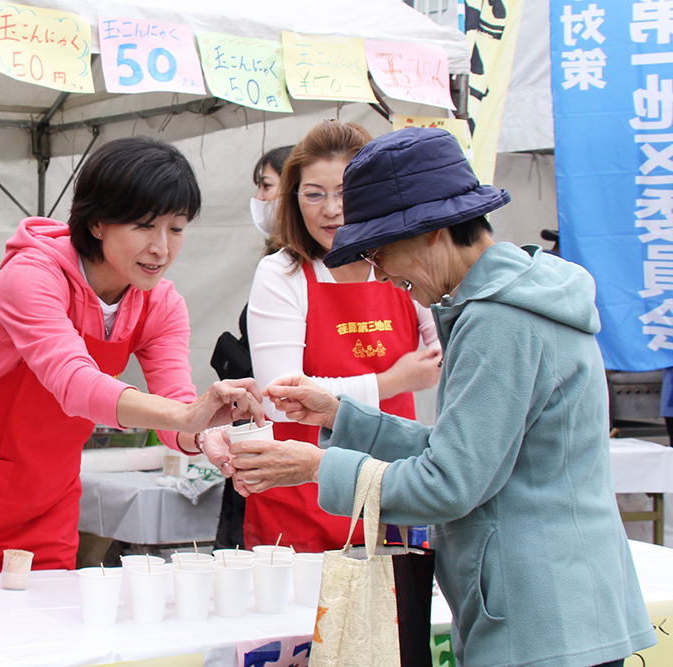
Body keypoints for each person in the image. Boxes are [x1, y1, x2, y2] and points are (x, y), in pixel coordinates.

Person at [231, 127, 655, 667]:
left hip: (538, 620)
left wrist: (319, 466)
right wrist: (342, 414)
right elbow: (465, 449)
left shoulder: (497, 320)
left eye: (381, 249)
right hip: (565, 606)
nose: (380, 270)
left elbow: (449, 481)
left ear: (431, 232)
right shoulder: (524, 297)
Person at [0, 135, 264, 577]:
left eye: (176, 228)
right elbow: (75, 382)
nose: (161, 247)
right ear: (97, 222)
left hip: (51, 497)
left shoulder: (162, 304)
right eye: (143, 226)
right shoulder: (32, 275)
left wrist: (203, 434)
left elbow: (177, 398)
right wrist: (186, 416)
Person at [244, 121, 441, 551]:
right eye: (314, 194)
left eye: (347, 193)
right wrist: (393, 381)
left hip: (392, 488)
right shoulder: (283, 273)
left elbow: (444, 350)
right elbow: (280, 400)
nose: (331, 209)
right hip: (303, 497)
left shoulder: (401, 263)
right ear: (294, 200)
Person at [210, 145, 295, 551]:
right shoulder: (273, 266)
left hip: (293, 442)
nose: (259, 200)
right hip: (255, 431)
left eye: (266, 186)